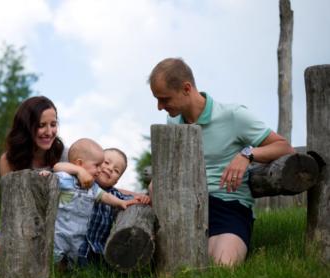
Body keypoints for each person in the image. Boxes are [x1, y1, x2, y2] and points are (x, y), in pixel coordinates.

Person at [148, 58, 294, 266]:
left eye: (164, 99)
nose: (159, 107)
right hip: (184, 205)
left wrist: (247, 154)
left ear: (186, 89)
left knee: (222, 267)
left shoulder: (233, 115)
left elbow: (284, 147)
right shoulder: (173, 122)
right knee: (180, 268)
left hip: (228, 205)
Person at [0, 96, 93, 251]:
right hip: (22, 226)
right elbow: (11, 208)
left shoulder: (65, 155)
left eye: (53, 125)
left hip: (60, 229)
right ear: (26, 127)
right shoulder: (8, 160)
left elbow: (98, 185)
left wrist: (133, 196)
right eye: (41, 125)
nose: (49, 132)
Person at [42, 138, 138, 266]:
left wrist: (121, 202)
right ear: (81, 163)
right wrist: (47, 175)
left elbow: (106, 197)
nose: (107, 169)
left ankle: (70, 274)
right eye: (103, 163)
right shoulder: (67, 178)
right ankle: (55, 274)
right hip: (60, 230)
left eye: (116, 171)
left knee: (73, 262)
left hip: (82, 239)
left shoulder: (94, 188)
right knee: (55, 256)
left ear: (117, 180)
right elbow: (56, 170)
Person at [77, 148, 151, 265]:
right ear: (96, 163)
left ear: (116, 181)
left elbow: (132, 201)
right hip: (75, 246)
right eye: (106, 162)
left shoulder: (116, 195)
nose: (110, 168)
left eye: (116, 171)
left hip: (98, 251)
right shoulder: (80, 182)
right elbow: (60, 169)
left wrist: (142, 198)